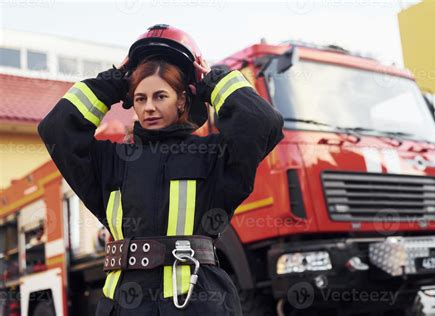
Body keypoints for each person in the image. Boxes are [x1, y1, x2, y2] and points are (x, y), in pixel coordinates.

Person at [38, 24, 284, 315]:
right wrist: (114, 81)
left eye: (160, 96)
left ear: (182, 100)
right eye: (140, 98)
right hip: (123, 306)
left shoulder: (214, 157)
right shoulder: (110, 161)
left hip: (196, 303)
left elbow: (262, 123)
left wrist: (212, 80)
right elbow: (57, 129)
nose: (149, 107)